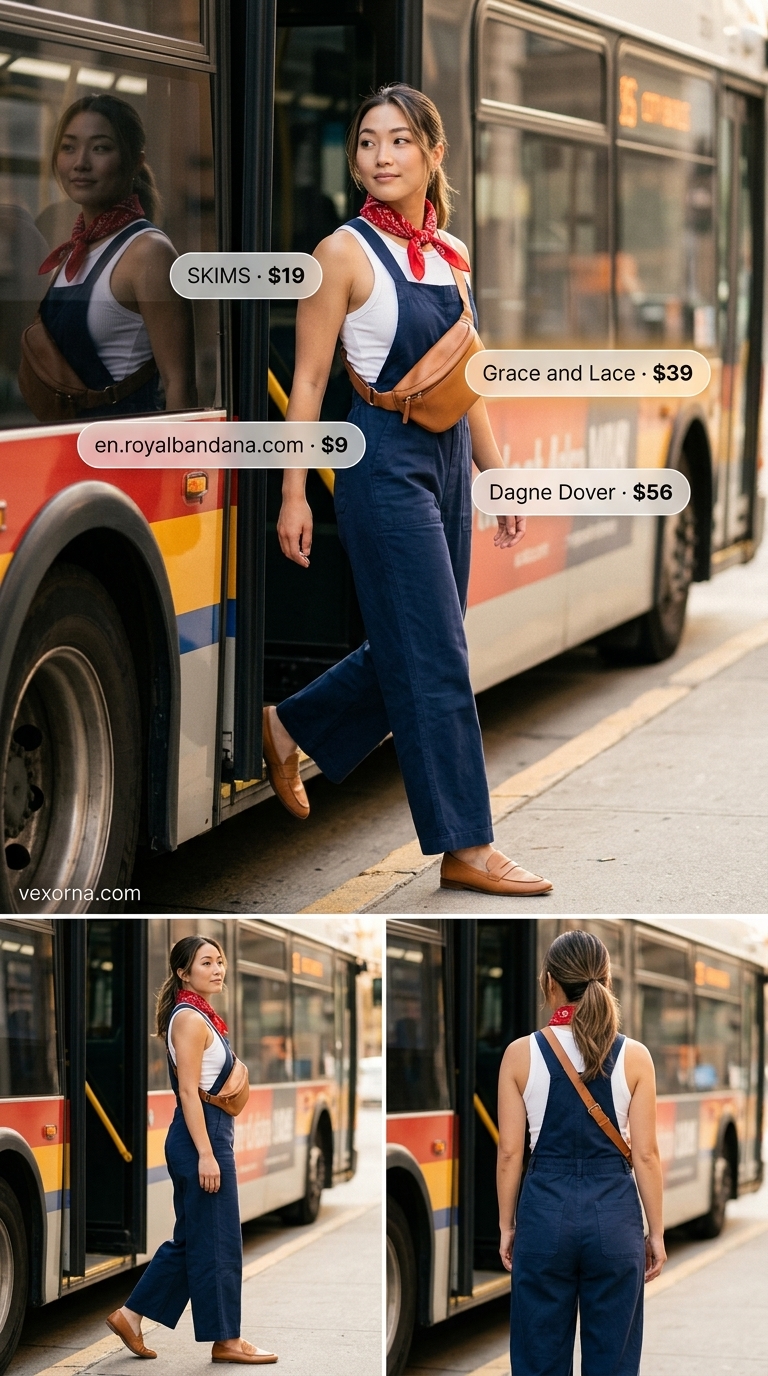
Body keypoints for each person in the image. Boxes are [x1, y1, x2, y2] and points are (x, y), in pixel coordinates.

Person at [262, 83, 552, 898]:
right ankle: (466, 845)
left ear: (433, 153)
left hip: (449, 452)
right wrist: (295, 494)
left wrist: (498, 475)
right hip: (378, 458)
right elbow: (311, 381)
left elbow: (467, 376)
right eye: (365, 142)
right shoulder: (341, 253)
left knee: (424, 641)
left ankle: (292, 724)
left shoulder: (453, 253)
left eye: (397, 142)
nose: (380, 157)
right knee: (437, 654)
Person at [497, 929, 666, 1376]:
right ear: (607, 982)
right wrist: (657, 1233)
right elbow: (645, 1154)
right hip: (614, 1217)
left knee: (538, 1357)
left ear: (549, 982)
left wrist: (506, 1225)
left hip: (544, 1214)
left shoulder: (519, 1054)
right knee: (612, 1360)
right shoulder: (636, 1057)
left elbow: (511, 1154)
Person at [105, 935, 277, 1365]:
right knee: (219, 1241)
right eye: (206, 963)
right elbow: (187, 1091)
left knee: (193, 1239)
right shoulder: (189, 1019)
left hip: (208, 1134)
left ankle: (130, 1315)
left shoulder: (200, 1016)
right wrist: (206, 1153)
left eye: (220, 961)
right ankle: (227, 1340)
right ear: (184, 972)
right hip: (200, 1136)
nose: (218, 969)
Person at [34, 93, 195, 414]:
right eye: (68, 147)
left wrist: (181, 464)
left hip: (127, 451)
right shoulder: (70, 253)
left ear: (135, 161)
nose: (81, 162)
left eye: (100, 148)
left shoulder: (149, 252)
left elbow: (180, 385)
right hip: (67, 449)